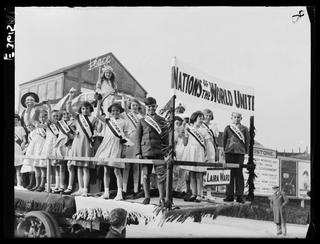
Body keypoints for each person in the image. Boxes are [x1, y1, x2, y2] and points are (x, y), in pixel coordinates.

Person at [134, 97, 170, 206]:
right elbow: (137, 137)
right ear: (146, 107)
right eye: (148, 107)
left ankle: (161, 198)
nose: (151, 108)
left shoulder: (162, 120)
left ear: (156, 107)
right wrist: (138, 152)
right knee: (146, 176)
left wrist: (166, 151)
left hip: (158, 152)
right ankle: (146, 197)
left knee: (161, 176)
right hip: (146, 152)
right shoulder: (142, 120)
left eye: (153, 106)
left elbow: (166, 137)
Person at [95, 100, 131, 200]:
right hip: (106, 145)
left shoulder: (124, 122)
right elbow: (97, 115)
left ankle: (119, 193)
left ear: (120, 111)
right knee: (106, 169)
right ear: (110, 112)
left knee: (117, 170)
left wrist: (124, 149)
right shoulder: (107, 120)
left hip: (117, 146)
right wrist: (99, 102)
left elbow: (126, 137)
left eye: (117, 110)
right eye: (113, 111)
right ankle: (106, 192)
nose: (115, 112)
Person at [67, 89, 99, 197]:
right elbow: (69, 109)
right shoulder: (78, 118)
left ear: (90, 109)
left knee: (85, 167)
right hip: (77, 143)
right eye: (83, 108)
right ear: (81, 109)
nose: (85, 110)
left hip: (87, 144)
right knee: (78, 167)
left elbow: (98, 118)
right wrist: (71, 96)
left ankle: (85, 189)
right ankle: (80, 188)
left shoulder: (93, 118)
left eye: (87, 108)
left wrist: (99, 102)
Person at [180, 111, 207, 202]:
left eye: (202, 118)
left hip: (199, 152)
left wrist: (207, 154)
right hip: (191, 152)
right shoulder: (189, 128)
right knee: (192, 174)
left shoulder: (204, 130)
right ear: (195, 118)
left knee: (199, 174)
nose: (201, 120)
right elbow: (185, 143)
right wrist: (183, 133)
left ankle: (199, 194)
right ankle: (194, 193)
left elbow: (206, 144)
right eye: (200, 118)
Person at [223, 112, 250, 203]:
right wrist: (225, 150)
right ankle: (229, 195)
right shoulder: (228, 128)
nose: (236, 119)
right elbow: (224, 140)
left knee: (239, 173)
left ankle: (239, 195)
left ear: (241, 118)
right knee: (229, 173)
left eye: (238, 117)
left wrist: (245, 151)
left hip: (240, 153)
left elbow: (247, 141)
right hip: (229, 152)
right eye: (235, 117)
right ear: (231, 118)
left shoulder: (244, 129)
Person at [19, 92, 44, 189]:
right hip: (27, 135)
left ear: (35, 101)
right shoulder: (22, 112)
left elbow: (33, 122)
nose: (29, 102)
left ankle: (35, 183)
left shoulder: (37, 109)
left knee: (35, 159)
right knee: (27, 160)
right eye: (27, 100)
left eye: (31, 100)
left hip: (37, 133)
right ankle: (27, 182)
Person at [122, 98, 144, 198]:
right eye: (133, 105)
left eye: (136, 105)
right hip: (128, 141)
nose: (134, 107)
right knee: (126, 167)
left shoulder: (141, 117)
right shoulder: (126, 115)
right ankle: (124, 189)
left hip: (137, 142)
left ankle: (136, 189)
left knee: (136, 166)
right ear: (130, 106)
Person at [53, 110, 76, 193]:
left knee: (70, 166)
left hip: (70, 146)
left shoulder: (74, 123)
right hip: (61, 146)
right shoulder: (59, 124)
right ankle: (61, 186)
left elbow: (75, 136)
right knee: (62, 166)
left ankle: (70, 186)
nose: (65, 115)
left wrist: (71, 136)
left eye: (67, 114)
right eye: (63, 114)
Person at [39, 107, 62, 192]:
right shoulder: (48, 125)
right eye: (54, 116)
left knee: (56, 167)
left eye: (57, 116)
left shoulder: (61, 124)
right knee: (49, 167)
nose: (56, 117)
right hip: (48, 146)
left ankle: (57, 185)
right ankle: (49, 185)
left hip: (56, 146)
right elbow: (37, 125)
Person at [26, 108, 49, 192]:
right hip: (35, 147)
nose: (42, 118)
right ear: (39, 118)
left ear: (47, 117)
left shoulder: (48, 125)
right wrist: (28, 110)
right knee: (36, 166)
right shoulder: (37, 124)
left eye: (44, 117)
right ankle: (37, 184)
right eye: (41, 117)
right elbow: (29, 120)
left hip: (43, 146)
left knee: (42, 166)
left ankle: (42, 185)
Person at [201, 108, 219, 200]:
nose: (208, 117)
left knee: (210, 171)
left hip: (210, 148)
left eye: (209, 116)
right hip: (201, 147)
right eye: (206, 115)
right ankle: (199, 193)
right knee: (200, 170)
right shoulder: (200, 124)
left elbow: (216, 137)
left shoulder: (214, 125)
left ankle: (209, 193)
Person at [14, 114, 27, 190]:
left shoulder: (21, 128)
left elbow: (24, 140)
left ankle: (19, 184)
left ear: (18, 120)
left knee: (18, 168)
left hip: (18, 148)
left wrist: (23, 143)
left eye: (15, 119)